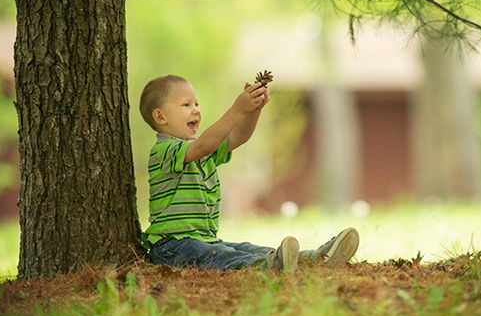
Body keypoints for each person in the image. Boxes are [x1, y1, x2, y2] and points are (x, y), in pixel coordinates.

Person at [140, 73, 359, 272]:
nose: (196, 109)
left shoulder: (199, 151)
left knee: (245, 248)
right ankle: (268, 267)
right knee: (222, 255)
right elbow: (205, 145)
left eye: (196, 103)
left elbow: (237, 137)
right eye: (186, 104)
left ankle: (313, 258)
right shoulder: (164, 150)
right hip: (171, 245)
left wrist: (253, 111)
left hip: (205, 240)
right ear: (160, 117)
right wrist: (237, 110)